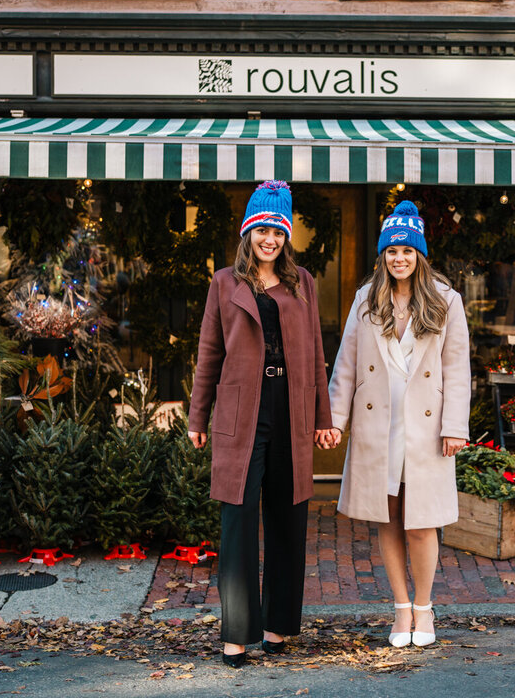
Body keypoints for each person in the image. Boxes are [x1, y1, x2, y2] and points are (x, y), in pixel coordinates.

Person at [188, 180, 340, 668]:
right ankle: (236, 634)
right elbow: (209, 353)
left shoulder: (303, 283)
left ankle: (276, 627)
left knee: (287, 519)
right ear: (248, 233)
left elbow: (316, 355)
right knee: (236, 521)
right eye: (262, 230)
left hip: (289, 408)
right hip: (240, 411)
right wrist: (197, 415)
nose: (269, 239)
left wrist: (322, 417)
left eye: (277, 231)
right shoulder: (224, 282)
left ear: (286, 235)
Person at [327, 200, 470, 648]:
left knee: (422, 521)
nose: (399, 258)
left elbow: (458, 368)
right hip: (378, 427)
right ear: (382, 256)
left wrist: (454, 426)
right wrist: (334, 420)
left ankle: (425, 608)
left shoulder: (446, 301)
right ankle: (400, 607)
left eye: (407, 251)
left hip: (426, 429)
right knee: (386, 516)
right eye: (391, 251)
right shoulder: (365, 299)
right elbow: (346, 365)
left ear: (419, 255)